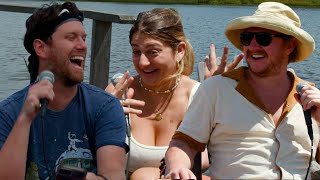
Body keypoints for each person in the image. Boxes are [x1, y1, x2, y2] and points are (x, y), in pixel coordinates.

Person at [164, 2, 320, 179]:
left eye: (263, 38)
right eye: (247, 38)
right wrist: (178, 167)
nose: (252, 46)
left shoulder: (311, 98)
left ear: (289, 46)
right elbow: (184, 142)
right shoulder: (215, 89)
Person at [105, 8, 243, 179]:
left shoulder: (200, 95)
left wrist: (216, 95)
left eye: (152, 52)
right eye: (136, 51)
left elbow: (221, 156)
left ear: (179, 51)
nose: (142, 62)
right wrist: (103, 116)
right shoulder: (118, 93)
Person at [0, 2, 128, 180]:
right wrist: (24, 119)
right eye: (71, 37)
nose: (83, 46)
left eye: (84, 38)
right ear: (41, 48)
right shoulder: (8, 113)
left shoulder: (104, 107)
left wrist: (85, 178)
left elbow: (114, 176)